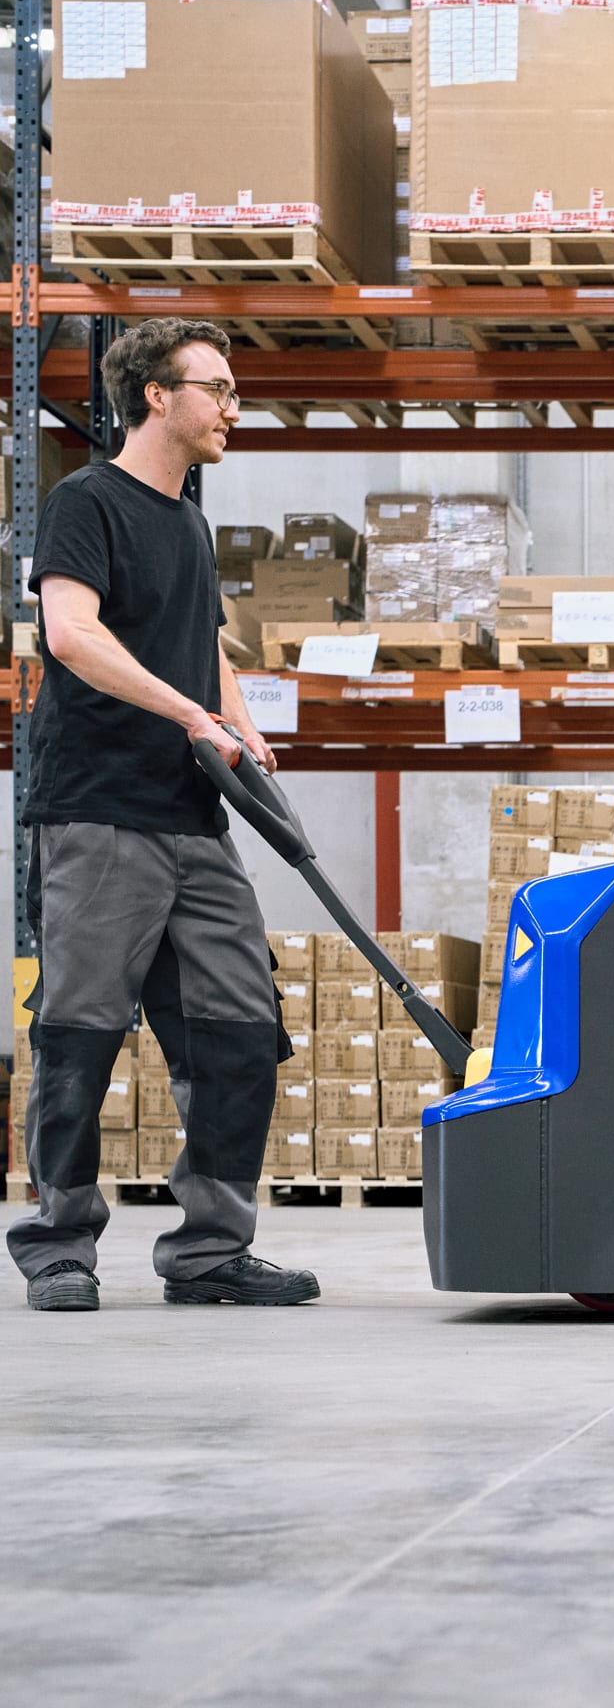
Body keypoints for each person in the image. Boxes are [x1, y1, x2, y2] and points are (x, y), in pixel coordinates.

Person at [8, 317, 318, 1311]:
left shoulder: (189, 519)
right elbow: (71, 633)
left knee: (242, 1027)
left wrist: (240, 717)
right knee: (79, 1031)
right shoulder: (85, 502)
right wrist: (190, 712)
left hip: (195, 819)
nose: (234, 408)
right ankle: (59, 1243)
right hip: (99, 810)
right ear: (156, 395)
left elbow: (205, 641)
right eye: (218, 388)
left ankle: (209, 1247)